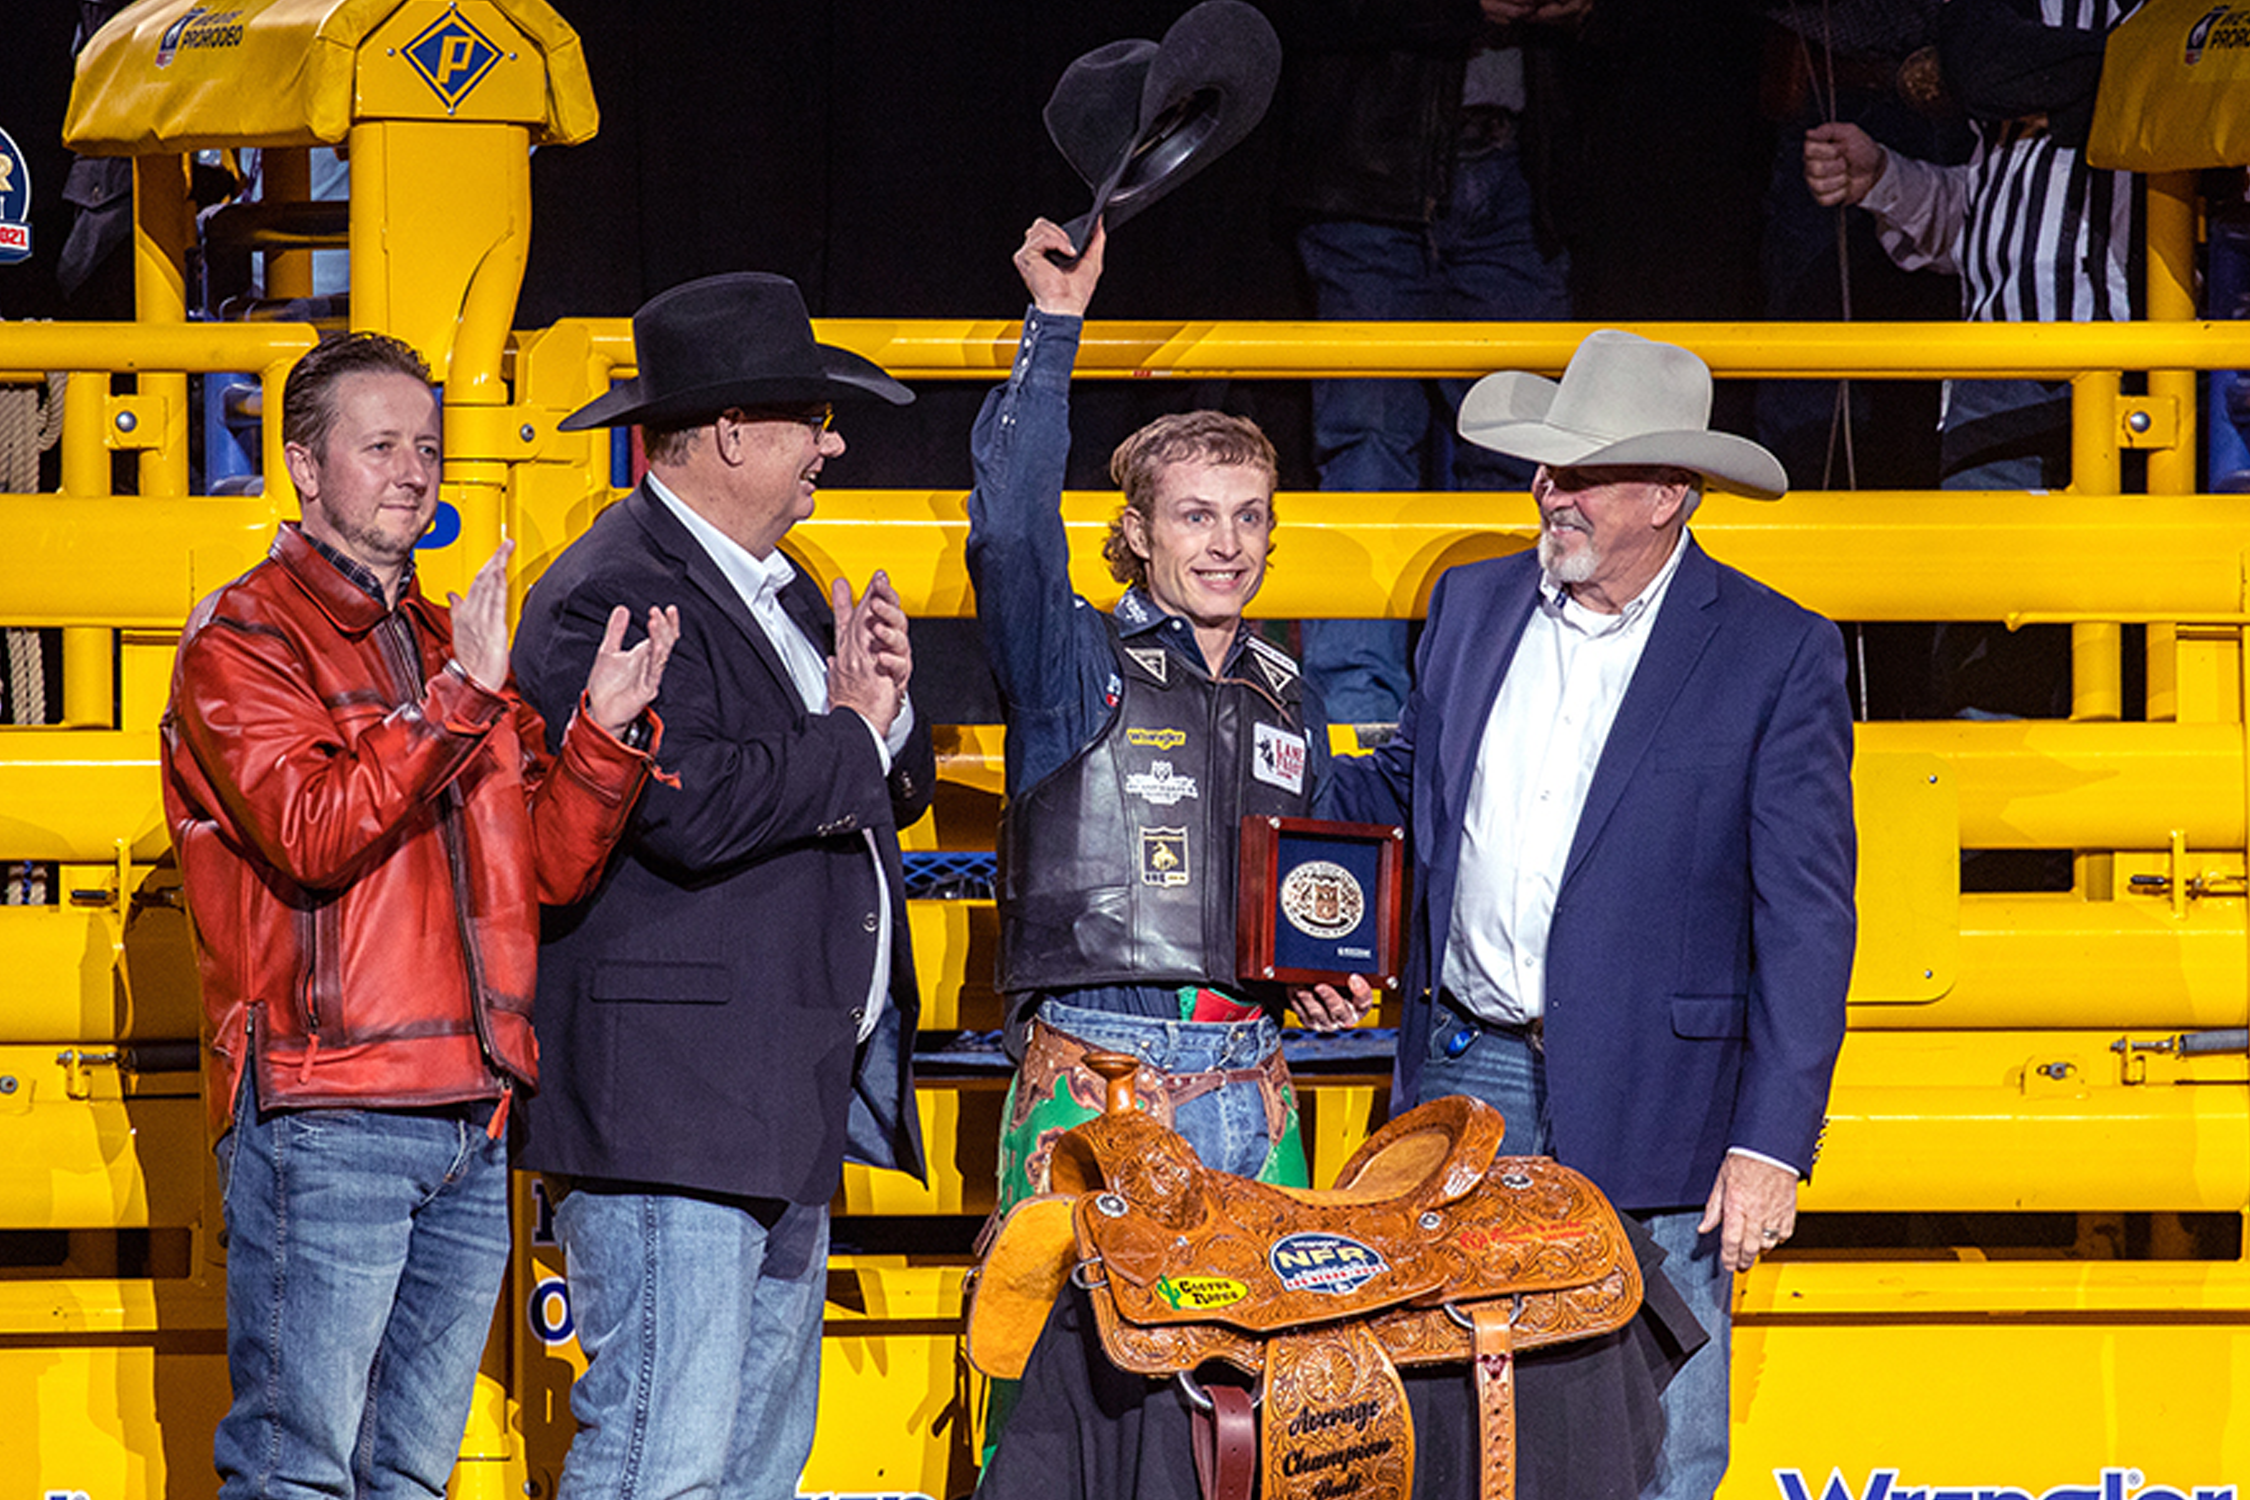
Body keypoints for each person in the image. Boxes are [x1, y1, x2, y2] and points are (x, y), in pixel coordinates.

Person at [1311, 328, 1857, 1500]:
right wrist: (1250, 748)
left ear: (1670, 493)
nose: (1548, 491)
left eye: (1583, 473)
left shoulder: (1776, 652)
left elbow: (1808, 920)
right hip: (1471, 1064)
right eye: (1547, 467)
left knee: (1665, 1428)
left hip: (1667, 1088)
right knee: (1445, 1404)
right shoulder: (1472, 605)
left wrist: (1771, 1143)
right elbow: (1404, 792)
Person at [160, 330, 676, 1500]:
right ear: (303, 465)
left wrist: (601, 739)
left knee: (409, 1473)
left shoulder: (451, 644)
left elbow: (545, 870)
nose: (413, 471)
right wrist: (457, 703)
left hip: (468, 1113)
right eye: (381, 445)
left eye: (428, 447)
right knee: (296, 1468)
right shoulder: (244, 638)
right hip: (328, 1104)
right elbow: (311, 828)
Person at [511, 271, 932, 1499]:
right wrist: (853, 731)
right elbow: (689, 807)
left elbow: (862, 781)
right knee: (663, 1460)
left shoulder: (786, 585)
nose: (831, 446)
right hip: (674, 1113)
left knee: (748, 1473)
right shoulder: (608, 589)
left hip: (773, 1099)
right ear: (734, 433)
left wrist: (889, 717)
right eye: (814, 419)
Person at [969, 217, 1347, 1227]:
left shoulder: (1289, 693)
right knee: (1074, 1334)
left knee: (1275, 1335)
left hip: (1256, 1078)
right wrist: (1055, 326)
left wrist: (1320, 976)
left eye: (1249, 515)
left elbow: (1304, 904)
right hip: (1099, 1074)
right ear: (1137, 532)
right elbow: (1009, 535)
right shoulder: (1071, 658)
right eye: (1196, 515)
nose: (1228, 544)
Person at [1272, 0, 1586, 724]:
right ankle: (1354, 712)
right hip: (1369, 177)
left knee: (1516, 449)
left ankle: (1493, 692)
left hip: (1523, 173)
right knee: (1366, 442)